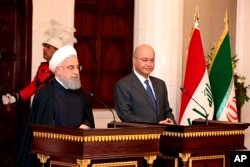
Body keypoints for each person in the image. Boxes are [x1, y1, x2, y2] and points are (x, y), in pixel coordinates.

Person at [16, 45, 95, 167]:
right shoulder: (45, 94)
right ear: (58, 70)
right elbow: (43, 132)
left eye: (77, 67)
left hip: (79, 159)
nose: (76, 72)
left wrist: (86, 125)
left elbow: (88, 118)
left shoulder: (82, 93)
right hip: (54, 160)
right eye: (71, 67)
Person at [2, 19, 77, 106]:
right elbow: (33, 87)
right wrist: (15, 98)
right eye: (44, 46)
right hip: (41, 105)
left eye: (48, 47)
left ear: (57, 51)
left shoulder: (66, 69)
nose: (44, 49)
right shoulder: (43, 67)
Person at [114, 44, 176, 125]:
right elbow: (126, 116)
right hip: (139, 135)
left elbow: (167, 111)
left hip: (163, 135)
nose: (149, 64)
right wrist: (156, 125)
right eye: (144, 60)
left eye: (152, 60)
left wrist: (170, 121)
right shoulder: (123, 85)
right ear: (134, 60)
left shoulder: (160, 84)